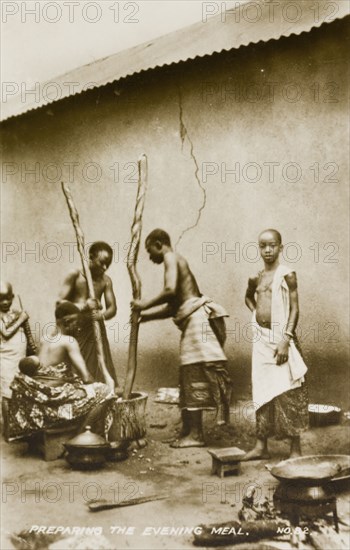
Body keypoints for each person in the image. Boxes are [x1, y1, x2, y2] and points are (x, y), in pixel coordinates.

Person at [131, 229, 231, 448]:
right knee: (188, 374)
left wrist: (143, 304)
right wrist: (144, 317)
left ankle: (196, 435)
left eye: (150, 252)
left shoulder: (171, 257)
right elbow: (173, 307)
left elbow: (169, 290)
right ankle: (189, 430)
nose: (150, 257)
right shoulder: (175, 261)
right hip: (193, 321)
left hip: (197, 322)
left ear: (159, 244)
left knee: (193, 374)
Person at [244, 229, 308, 460]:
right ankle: (261, 446)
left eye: (272, 245)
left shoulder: (287, 274)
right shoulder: (257, 277)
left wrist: (285, 339)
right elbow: (248, 297)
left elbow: (294, 308)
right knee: (261, 390)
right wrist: (257, 317)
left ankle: (295, 450)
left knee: (290, 391)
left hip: (281, 339)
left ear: (281, 247)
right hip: (261, 341)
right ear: (259, 248)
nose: (267, 250)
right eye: (263, 246)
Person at [6, 302, 113, 441]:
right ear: (67, 322)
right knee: (105, 391)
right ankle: (79, 437)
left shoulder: (44, 338)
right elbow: (86, 377)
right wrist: (98, 385)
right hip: (54, 400)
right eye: (76, 322)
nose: (79, 326)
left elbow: (44, 371)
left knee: (80, 386)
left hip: (40, 398)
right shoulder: (69, 341)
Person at [57, 241, 118, 388]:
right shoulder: (75, 275)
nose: (104, 268)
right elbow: (59, 304)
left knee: (100, 365)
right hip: (75, 329)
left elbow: (112, 308)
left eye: (108, 264)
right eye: (102, 263)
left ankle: (100, 402)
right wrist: (84, 306)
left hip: (95, 328)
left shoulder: (106, 281)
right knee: (77, 370)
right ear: (91, 257)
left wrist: (101, 316)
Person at [0, 282, 34, 401]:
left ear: (12, 297)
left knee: (18, 384)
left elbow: (26, 332)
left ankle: (16, 417)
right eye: (0, 299)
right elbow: (6, 333)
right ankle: (5, 418)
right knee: (6, 388)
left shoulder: (16, 313)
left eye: (7, 299)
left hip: (19, 357)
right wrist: (21, 319)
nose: (4, 302)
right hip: (5, 357)